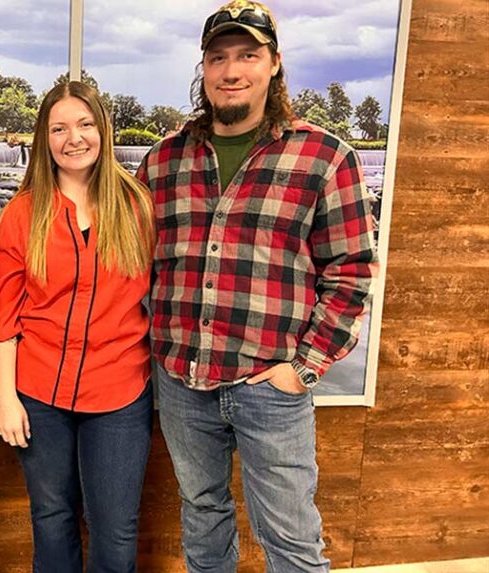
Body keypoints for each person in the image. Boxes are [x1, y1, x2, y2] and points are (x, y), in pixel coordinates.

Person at [135, 1, 378, 571]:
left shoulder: (324, 157)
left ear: (274, 64)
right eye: (218, 58)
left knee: (291, 538)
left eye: (248, 55)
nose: (232, 70)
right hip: (180, 379)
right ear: (204, 68)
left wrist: (305, 367)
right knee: (202, 514)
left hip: (270, 384)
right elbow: (134, 260)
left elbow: (350, 271)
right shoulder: (164, 160)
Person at [0, 80, 155, 572]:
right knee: (51, 515)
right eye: (59, 128)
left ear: (102, 130)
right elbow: (7, 316)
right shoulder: (22, 214)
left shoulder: (138, 207)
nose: (73, 138)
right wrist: (6, 396)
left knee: (116, 525)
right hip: (39, 394)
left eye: (84, 124)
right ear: (45, 139)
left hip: (121, 394)